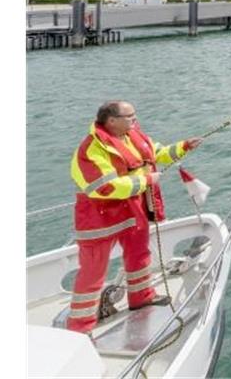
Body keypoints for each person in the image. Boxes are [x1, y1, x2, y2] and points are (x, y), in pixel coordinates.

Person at [66, 101, 201, 333]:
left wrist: (184, 146)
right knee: (93, 270)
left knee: (139, 255)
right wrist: (147, 181)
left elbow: (156, 153)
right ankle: (80, 327)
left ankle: (142, 297)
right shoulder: (90, 150)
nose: (135, 120)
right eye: (130, 116)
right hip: (99, 218)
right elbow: (105, 188)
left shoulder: (133, 136)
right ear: (111, 120)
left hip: (132, 210)